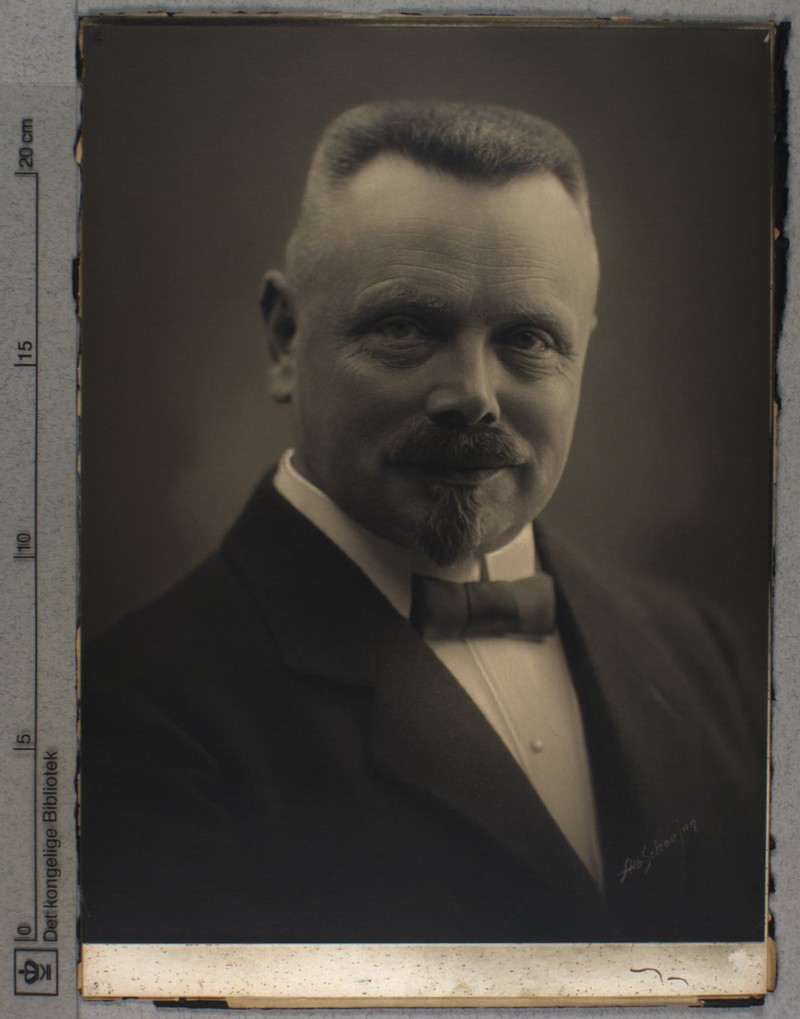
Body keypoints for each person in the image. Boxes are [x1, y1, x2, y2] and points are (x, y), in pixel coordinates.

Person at [80, 100, 766, 945]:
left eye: (528, 338)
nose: (471, 395)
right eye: (406, 327)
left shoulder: (701, 657)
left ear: (582, 349)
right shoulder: (137, 722)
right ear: (286, 338)